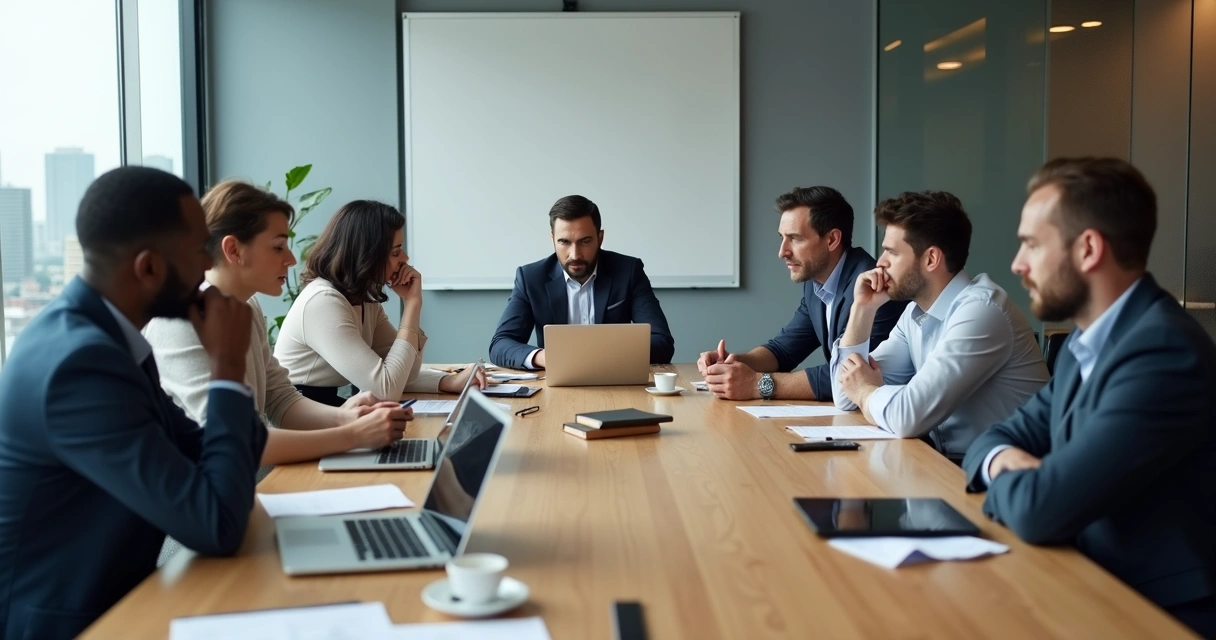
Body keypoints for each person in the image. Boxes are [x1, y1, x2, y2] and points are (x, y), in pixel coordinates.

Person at [0, 167, 266, 639]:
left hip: (123, 602)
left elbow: (211, 449)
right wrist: (226, 365)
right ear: (149, 268)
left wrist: (231, 384)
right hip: (78, 625)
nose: (209, 266)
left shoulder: (104, 339)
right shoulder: (80, 365)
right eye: (198, 251)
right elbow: (216, 523)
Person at [963, 158, 1216, 638]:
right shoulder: (1086, 343)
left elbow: (1042, 509)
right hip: (1087, 582)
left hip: (1156, 613)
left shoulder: (1163, 353)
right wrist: (1003, 462)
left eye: (1032, 244)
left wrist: (1021, 479)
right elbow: (993, 439)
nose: (1017, 264)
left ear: (1089, 249)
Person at [144, 180, 413, 464]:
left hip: (239, 479)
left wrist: (346, 416)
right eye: (278, 247)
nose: (291, 259)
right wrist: (353, 434)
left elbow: (281, 399)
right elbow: (239, 441)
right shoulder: (178, 322)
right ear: (234, 250)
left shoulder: (247, 306)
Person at [831, 190, 1047, 460]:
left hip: (1006, 474)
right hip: (950, 464)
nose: (880, 263)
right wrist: (863, 308)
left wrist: (865, 391)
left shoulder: (982, 311)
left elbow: (907, 417)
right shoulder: (915, 313)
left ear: (931, 259)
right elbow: (845, 396)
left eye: (891, 253)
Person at [697, 187, 902, 400]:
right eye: (782, 238)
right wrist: (732, 363)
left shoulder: (874, 290)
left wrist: (756, 384)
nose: (782, 252)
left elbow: (851, 376)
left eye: (795, 238)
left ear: (832, 239)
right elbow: (783, 350)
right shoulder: (818, 282)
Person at [273, 200, 484, 406]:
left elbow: (404, 371)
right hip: (300, 413)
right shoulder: (323, 303)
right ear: (366, 254)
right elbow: (386, 390)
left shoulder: (363, 299)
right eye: (395, 252)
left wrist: (447, 382)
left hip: (328, 408)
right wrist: (412, 303)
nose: (405, 258)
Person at [488, 195, 675, 369]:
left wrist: (596, 356)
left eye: (584, 241)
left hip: (614, 377)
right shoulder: (531, 278)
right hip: (556, 383)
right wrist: (545, 357)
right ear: (553, 239)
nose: (575, 254)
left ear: (600, 238)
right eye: (564, 242)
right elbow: (500, 344)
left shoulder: (628, 271)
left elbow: (662, 342)